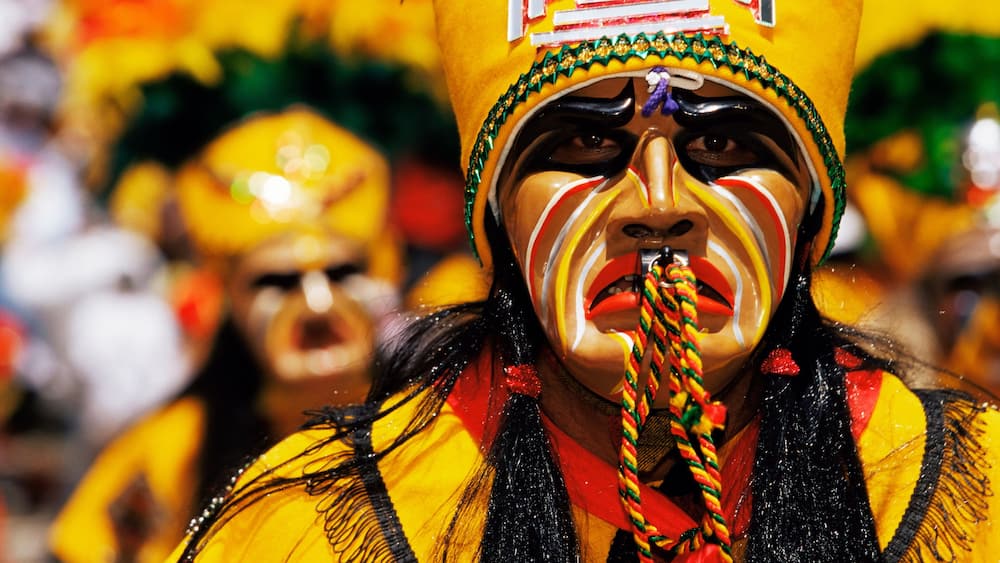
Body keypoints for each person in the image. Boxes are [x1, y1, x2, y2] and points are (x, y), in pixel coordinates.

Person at [172, 2, 1000, 562]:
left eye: (722, 146)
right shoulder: (301, 529)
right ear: (497, 221)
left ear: (812, 214)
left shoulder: (971, 493)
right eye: (580, 146)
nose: (659, 204)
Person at [46, 2, 457, 561]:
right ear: (229, 296)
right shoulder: (171, 452)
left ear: (385, 270)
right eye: (278, 281)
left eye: (342, 273)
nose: (316, 303)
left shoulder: (454, 425)